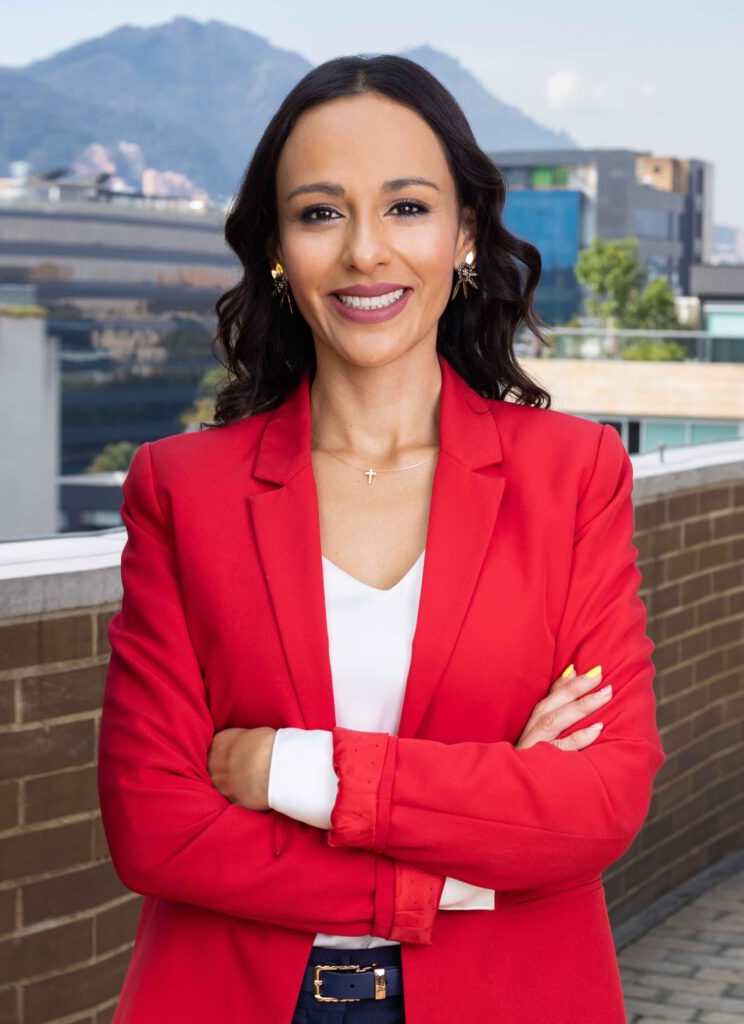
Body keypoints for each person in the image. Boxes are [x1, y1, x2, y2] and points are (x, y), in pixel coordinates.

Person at [98, 54, 665, 1024]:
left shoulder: (573, 477)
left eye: (406, 207)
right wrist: (459, 861)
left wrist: (287, 771)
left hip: (510, 997)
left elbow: (598, 802)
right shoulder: (182, 490)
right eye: (322, 212)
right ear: (278, 248)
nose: (367, 251)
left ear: (465, 232)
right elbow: (156, 827)